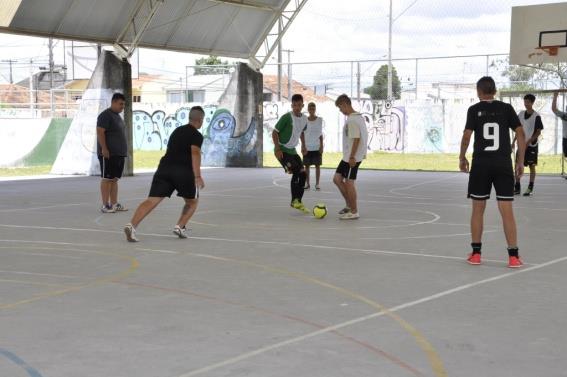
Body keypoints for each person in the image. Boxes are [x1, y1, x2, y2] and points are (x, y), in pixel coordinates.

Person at [459, 76, 526, 268]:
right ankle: (513, 256)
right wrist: (520, 161)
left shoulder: (473, 110)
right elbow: (520, 133)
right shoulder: (506, 108)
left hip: (481, 164)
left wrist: (462, 157)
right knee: (507, 210)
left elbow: (466, 136)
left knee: (478, 209)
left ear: (479, 91)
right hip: (503, 164)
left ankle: (476, 254)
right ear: (495, 90)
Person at [124, 106, 205, 242]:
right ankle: (180, 226)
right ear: (200, 120)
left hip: (164, 169)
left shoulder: (176, 131)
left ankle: (132, 225)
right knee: (192, 202)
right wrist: (197, 176)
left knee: (152, 200)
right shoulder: (196, 135)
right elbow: (195, 153)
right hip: (183, 172)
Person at [272, 93, 309, 213]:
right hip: (282, 150)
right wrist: (277, 148)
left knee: (303, 174)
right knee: (297, 171)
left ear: (303, 105)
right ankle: (294, 201)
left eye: (299, 105)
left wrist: (303, 145)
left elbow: (302, 132)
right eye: (295, 105)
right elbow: (274, 132)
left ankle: (298, 201)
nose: (297, 107)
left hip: (293, 151)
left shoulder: (304, 119)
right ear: (292, 105)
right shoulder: (287, 117)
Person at [333, 94, 368, 220]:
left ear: (345, 104)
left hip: (352, 158)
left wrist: (352, 157)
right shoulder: (356, 117)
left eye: (340, 107)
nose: (340, 110)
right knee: (337, 179)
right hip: (347, 156)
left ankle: (354, 211)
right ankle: (349, 205)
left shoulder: (353, 120)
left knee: (349, 183)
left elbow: (357, 139)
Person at [97, 92, 128, 213]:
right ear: (114, 102)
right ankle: (105, 205)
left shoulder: (117, 116)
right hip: (108, 154)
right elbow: (100, 132)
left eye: (124, 104)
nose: (122, 107)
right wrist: (104, 149)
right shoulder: (105, 115)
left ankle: (114, 204)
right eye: (120, 104)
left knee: (114, 179)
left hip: (118, 154)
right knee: (107, 179)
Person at [512, 94, 543, 196]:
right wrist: (513, 142)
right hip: (521, 145)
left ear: (532, 103)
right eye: (525, 102)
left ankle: (530, 188)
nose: (526, 104)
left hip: (531, 146)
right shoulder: (520, 114)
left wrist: (528, 142)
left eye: (528, 102)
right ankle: (517, 187)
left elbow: (538, 132)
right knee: (517, 165)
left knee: (531, 166)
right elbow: (518, 130)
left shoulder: (536, 116)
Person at [302, 102, 324, 190]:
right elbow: (302, 134)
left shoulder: (319, 120)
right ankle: (307, 184)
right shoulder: (304, 121)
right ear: (308, 110)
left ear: (315, 109)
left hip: (316, 146)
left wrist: (321, 146)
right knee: (306, 166)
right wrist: (303, 146)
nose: (312, 110)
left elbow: (320, 134)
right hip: (307, 147)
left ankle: (317, 184)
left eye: (313, 109)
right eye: (310, 109)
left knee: (317, 166)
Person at [552, 91, 567, 160]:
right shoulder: (564, 115)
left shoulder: (564, 115)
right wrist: (555, 96)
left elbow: (554, 109)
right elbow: (554, 109)